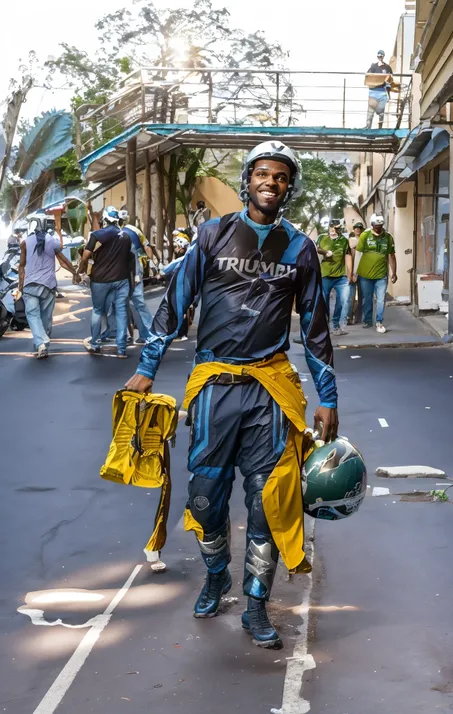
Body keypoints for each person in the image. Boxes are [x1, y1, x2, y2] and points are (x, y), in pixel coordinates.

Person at [125, 141, 338, 650]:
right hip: (215, 390)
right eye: (263, 173)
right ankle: (217, 574)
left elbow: (315, 329)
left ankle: (257, 603)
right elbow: (174, 306)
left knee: (268, 503)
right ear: (248, 181)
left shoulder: (299, 248)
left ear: (290, 187)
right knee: (205, 495)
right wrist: (147, 367)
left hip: (270, 393)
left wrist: (327, 397)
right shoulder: (212, 234)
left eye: (282, 176)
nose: (271, 182)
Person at [16, 213, 79, 358]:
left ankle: (41, 343)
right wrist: (74, 273)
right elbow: (63, 261)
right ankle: (43, 343)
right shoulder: (53, 241)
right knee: (46, 316)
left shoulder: (25, 242)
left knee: (32, 315)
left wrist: (20, 287)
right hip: (48, 286)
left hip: (30, 285)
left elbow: (21, 266)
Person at [78, 206, 134, 358]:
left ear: (104, 219)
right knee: (121, 312)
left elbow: (85, 256)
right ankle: (122, 349)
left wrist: (80, 271)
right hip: (121, 280)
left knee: (97, 310)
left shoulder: (97, 235)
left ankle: (95, 344)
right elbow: (128, 258)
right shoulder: (126, 236)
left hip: (100, 280)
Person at [353, 214, 397, 333]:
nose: (378, 228)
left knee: (381, 299)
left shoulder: (388, 237)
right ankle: (368, 320)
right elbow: (358, 254)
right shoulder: (365, 235)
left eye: (380, 225)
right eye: (376, 226)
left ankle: (379, 322)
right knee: (367, 299)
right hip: (365, 275)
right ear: (372, 225)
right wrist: (354, 272)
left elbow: (392, 255)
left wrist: (394, 272)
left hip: (381, 275)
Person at [119, 212, 157, 344]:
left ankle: (149, 332)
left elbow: (147, 247)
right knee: (134, 303)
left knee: (133, 302)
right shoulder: (131, 230)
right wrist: (152, 264)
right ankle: (144, 334)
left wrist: (151, 264)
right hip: (132, 269)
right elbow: (147, 247)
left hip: (131, 268)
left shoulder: (120, 231)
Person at [316, 219, 352, 336]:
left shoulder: (344, 240)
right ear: (330, 227)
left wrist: (350, 274)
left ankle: (336, 326)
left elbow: (347, 256)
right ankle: (325, 325)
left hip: (341, 276)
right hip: (325, 275)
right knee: (324, 301)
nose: (336, 230)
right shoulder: (322, 238)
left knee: (343, 300)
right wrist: (325, 252)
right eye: (334, 228)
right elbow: (316, 248)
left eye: (338, 228)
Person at [365, 50, 393, 129]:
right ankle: (368, 128)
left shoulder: (387, 68)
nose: (380, 58)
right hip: (373, 92)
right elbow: (368, 76)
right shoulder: (374, 66)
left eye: (381, 56)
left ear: (383, 56)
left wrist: (389, 95)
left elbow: (389, 81)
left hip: (382, 92)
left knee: (381, 114)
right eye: (378, 56)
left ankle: (380, 129)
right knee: (370, 113)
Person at [347, 221, 365, 324]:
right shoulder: (351, 240)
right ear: (353, 230)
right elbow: (351, 258)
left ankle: (358, 318)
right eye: (356, 228)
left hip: (363, 272)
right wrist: (352, 273)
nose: (357, 229)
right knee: (351, 297)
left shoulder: (365, 240)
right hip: (353, 271)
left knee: (362, 297)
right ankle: (349, 317)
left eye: (359, 228)